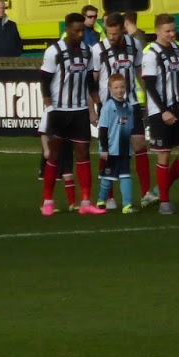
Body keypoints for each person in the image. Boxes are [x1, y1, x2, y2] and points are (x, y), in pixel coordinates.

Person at [39, 13, 102, 216]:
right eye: (77, 30)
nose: (81, 34)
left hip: (79, 110)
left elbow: (91, 81)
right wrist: (49, 108)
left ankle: (85, 202)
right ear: (67, 29)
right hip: (59, 110)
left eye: (83, 30)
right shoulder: (53, 52)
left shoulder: (87, 51)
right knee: (54, 155)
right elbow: (44, 82)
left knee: (83, 154)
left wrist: (97, 102)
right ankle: (48, 200)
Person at [93, 12, 156, 206]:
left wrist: (147, 96)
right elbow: (93, 79)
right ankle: (109, 196)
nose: (111, 37)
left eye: (115, 33)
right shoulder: (98, 49)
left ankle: (146, 192)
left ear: (122, 29)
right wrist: (95, 106)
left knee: (139, 145)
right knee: (110, 149)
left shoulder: (133, 44)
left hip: (131, 103)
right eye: (109, 33)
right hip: (109, 106)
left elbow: (138, 71)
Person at [139, 13, 179, 215]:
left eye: (174, 30)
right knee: (164, 156)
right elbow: (150, 86)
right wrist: (163, 111)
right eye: (168, 31)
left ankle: (158, 190)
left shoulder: (178, 51)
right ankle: (164, 201)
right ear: (157, 31)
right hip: (160, 111)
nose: (172, 34)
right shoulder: (151, 53)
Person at [92, 73, 139, 215]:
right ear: (110, 89)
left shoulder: (129, 107)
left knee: (126, 176)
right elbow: (103, 129)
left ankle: (127, 205)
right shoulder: (107, 107)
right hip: (111, 150)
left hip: (125, 150)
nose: (120, 90)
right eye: (116, 87)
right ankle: (101, 201)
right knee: (107, 177)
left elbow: (130, 129)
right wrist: (104, 149)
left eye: (122, 87)